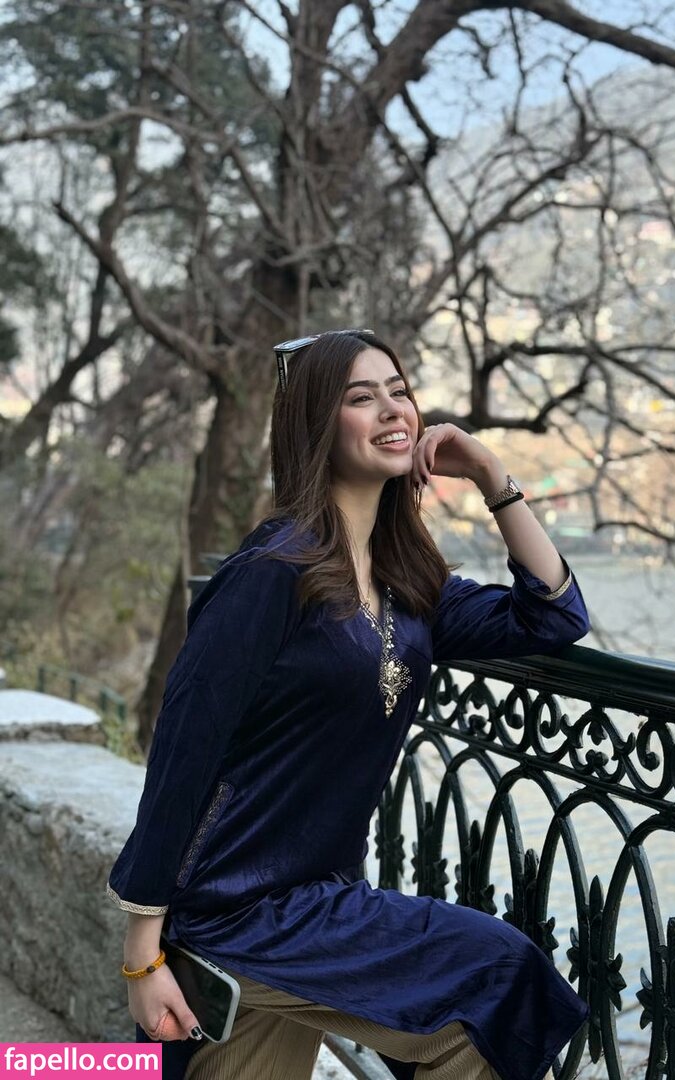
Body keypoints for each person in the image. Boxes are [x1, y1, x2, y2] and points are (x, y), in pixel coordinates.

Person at [107, 329, 590, 1080]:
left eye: (399, 392)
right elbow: (183, 748)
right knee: (496, 978)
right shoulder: (272, 571)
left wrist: (490, 473)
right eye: (361, 398)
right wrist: (144, 951)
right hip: (234, 910)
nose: (393, 410)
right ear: (317, 426)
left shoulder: (410, 584)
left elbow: (553, 616)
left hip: (314, 898)